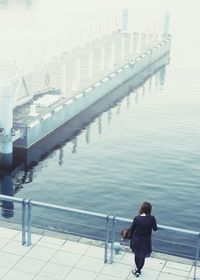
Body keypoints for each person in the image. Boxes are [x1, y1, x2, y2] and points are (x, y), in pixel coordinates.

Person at [129, 201, 157, 277]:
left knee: (137, 254)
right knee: (142, 256)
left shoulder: (137, 218)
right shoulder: (152, 218)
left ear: (142, 209)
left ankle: (137, 269)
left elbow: (132, 229)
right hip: (146, 241)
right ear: (150, 209)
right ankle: (138, 270)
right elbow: (155, 229)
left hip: (136, 239)